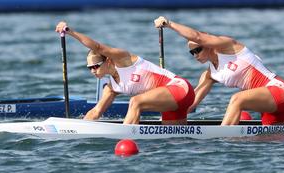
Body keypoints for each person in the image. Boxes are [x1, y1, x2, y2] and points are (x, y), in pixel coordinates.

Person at [154, 16, 284, 126]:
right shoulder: (210, 75)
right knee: (275, 144)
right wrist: (166, 118)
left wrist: (169, 24)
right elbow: (191, 104)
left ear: (207, 44)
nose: (195, 55)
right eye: (192, 53)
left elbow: (197, 36)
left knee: (237, 99)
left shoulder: (230, 47)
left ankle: (223, 138)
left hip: (280, 91)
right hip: (269, 106)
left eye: (198, 50)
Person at [55, 21, 195, 125]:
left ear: (108, 61)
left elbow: (97, 47)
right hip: (170, 103)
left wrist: (70, 32)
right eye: (89, 68)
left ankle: (125, 137)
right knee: (174, 142)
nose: (93, 71)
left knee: (135, 101)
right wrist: (77, 128)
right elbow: (96, 112)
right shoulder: (111, 88)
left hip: (181, 89)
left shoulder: (123, 59)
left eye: (96, 66)